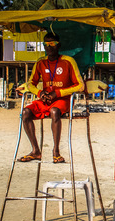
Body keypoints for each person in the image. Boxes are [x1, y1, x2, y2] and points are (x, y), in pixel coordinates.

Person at [18, 32, 84, 163]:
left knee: (54, 112)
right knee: (25, 113)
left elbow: (80, 86)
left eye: (52, 43)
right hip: (45, 99)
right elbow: (30, 84)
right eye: (46, 44)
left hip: (62, 99)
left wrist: (58, 93)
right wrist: (39, 93)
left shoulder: (68, 61)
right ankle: (35, 151)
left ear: (58, 45)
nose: (49, 47)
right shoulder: (40, 62)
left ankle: (56, 151)